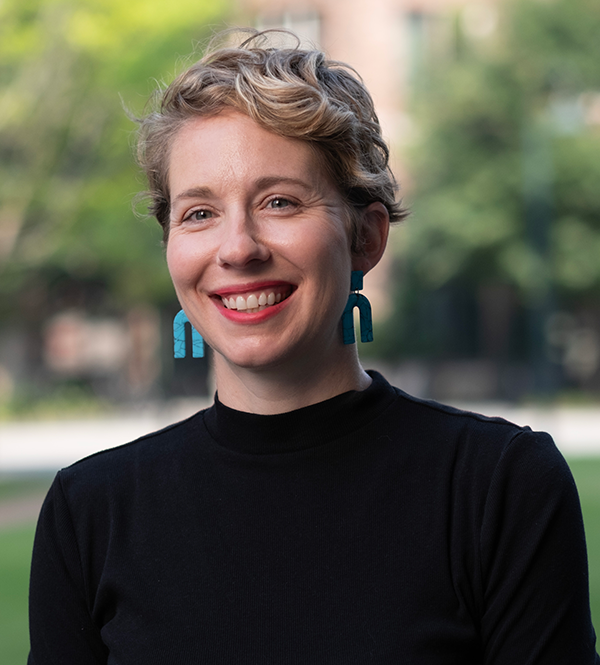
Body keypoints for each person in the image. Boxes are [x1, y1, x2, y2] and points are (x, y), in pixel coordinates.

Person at [28, 30, 599, 664]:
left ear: (366, 238)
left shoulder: (500, 488)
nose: (237, 248)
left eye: (280, 202)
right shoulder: (89, 513)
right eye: (199, 213)